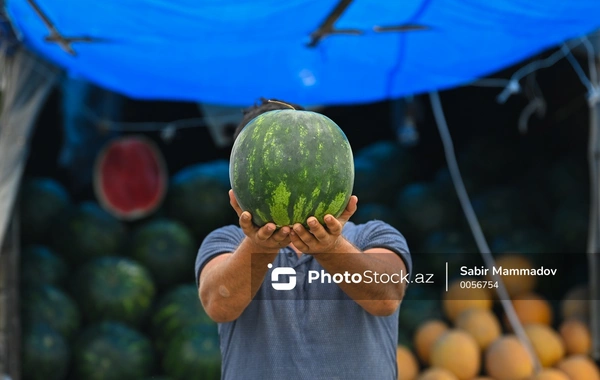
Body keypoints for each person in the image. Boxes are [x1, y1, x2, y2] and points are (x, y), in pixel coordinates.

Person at [195, 98, 412, 380]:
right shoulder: (225, 241)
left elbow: (387, 297)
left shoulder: (373, 235)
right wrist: (259, 246)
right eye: (272, 160)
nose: (288, 166)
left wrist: (331, 249)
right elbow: (218, 305)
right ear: (241, 173)